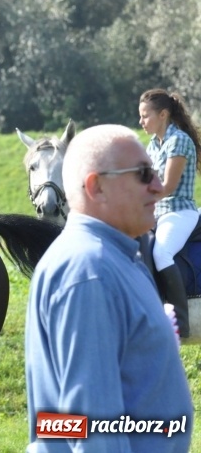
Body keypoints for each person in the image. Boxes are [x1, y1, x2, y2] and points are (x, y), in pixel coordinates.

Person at [25, 124, 193, 452]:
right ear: (96, 186)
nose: (159, 187)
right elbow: (90, 427)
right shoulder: (91, 272)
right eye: (144, 174)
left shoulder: (117, 257)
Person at [139, 89, 201, 338]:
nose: (141, 122)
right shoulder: (153, 144)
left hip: (178, 211)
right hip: (157, 213)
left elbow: (167, 187)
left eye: (145, 116)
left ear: (163, 114)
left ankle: (181, 322)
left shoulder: (179, 141)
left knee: (161, 253)